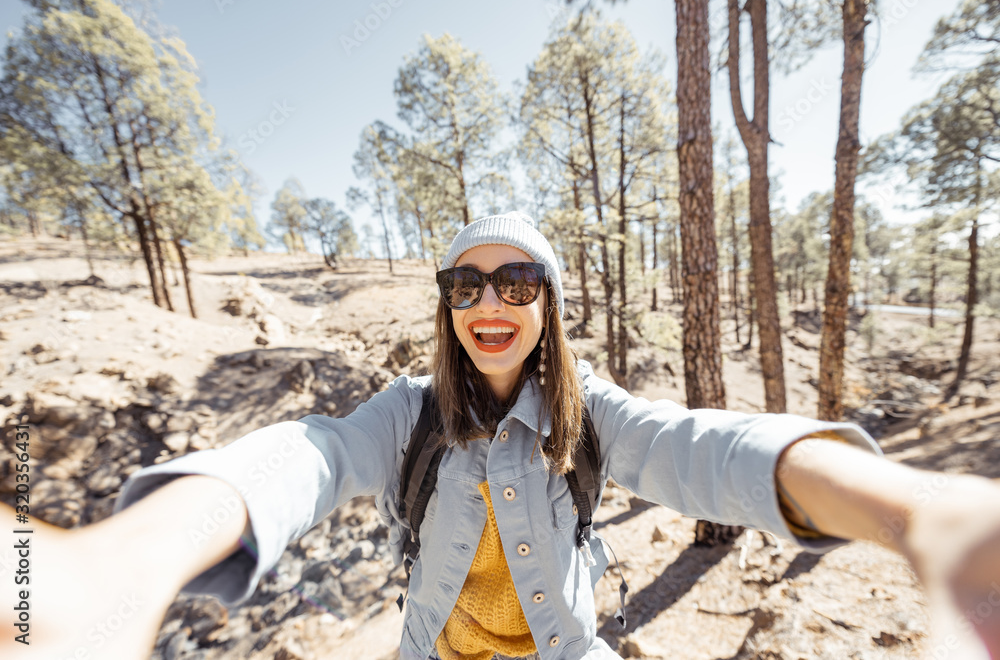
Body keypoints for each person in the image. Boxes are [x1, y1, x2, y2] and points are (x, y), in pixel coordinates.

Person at [3, 211, 1000, 660]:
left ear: (548, 308)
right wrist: (123, 563)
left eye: (517, 283)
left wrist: (917, 515)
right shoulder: (406, 412)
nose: (490, 301)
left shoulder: (590, 411)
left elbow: (706, 450)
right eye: (464, 284)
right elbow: (310, 452)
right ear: (446, 306)